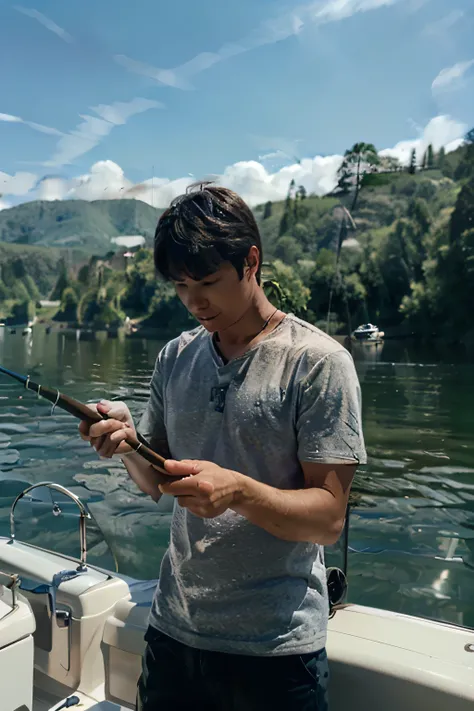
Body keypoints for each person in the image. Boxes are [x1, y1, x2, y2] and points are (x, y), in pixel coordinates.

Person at [79, 183, 367, 711]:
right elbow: (160, 481)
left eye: (208, 282)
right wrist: (127, 444)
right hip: (174, 634)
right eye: (181, 286)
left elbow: (328, 518)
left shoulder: (318, 363)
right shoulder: (175, 356)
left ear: (250, 261)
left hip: (277, 654)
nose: (194, 302)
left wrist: (236, 490)